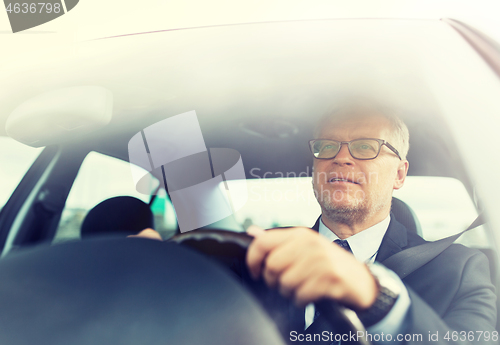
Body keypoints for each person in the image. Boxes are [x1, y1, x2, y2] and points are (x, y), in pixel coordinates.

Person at [134, 102, 497, 344]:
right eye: (326, 147)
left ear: (400, 173)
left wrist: (379, 298)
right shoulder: (253, 256)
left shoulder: (459, 268)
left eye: (366, 147)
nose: (340, 159)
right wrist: (160, 281)